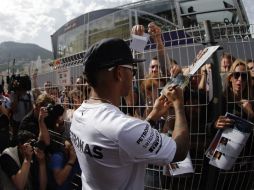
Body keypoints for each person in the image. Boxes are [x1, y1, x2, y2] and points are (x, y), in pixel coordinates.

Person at [70, 38, 189, 190]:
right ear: (119, 73)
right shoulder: (122, 127)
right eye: (132, 68)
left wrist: (152, 116)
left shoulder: (79, 114)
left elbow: (123, 143)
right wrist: (179, 105)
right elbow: (179, 151)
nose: (133, 75)